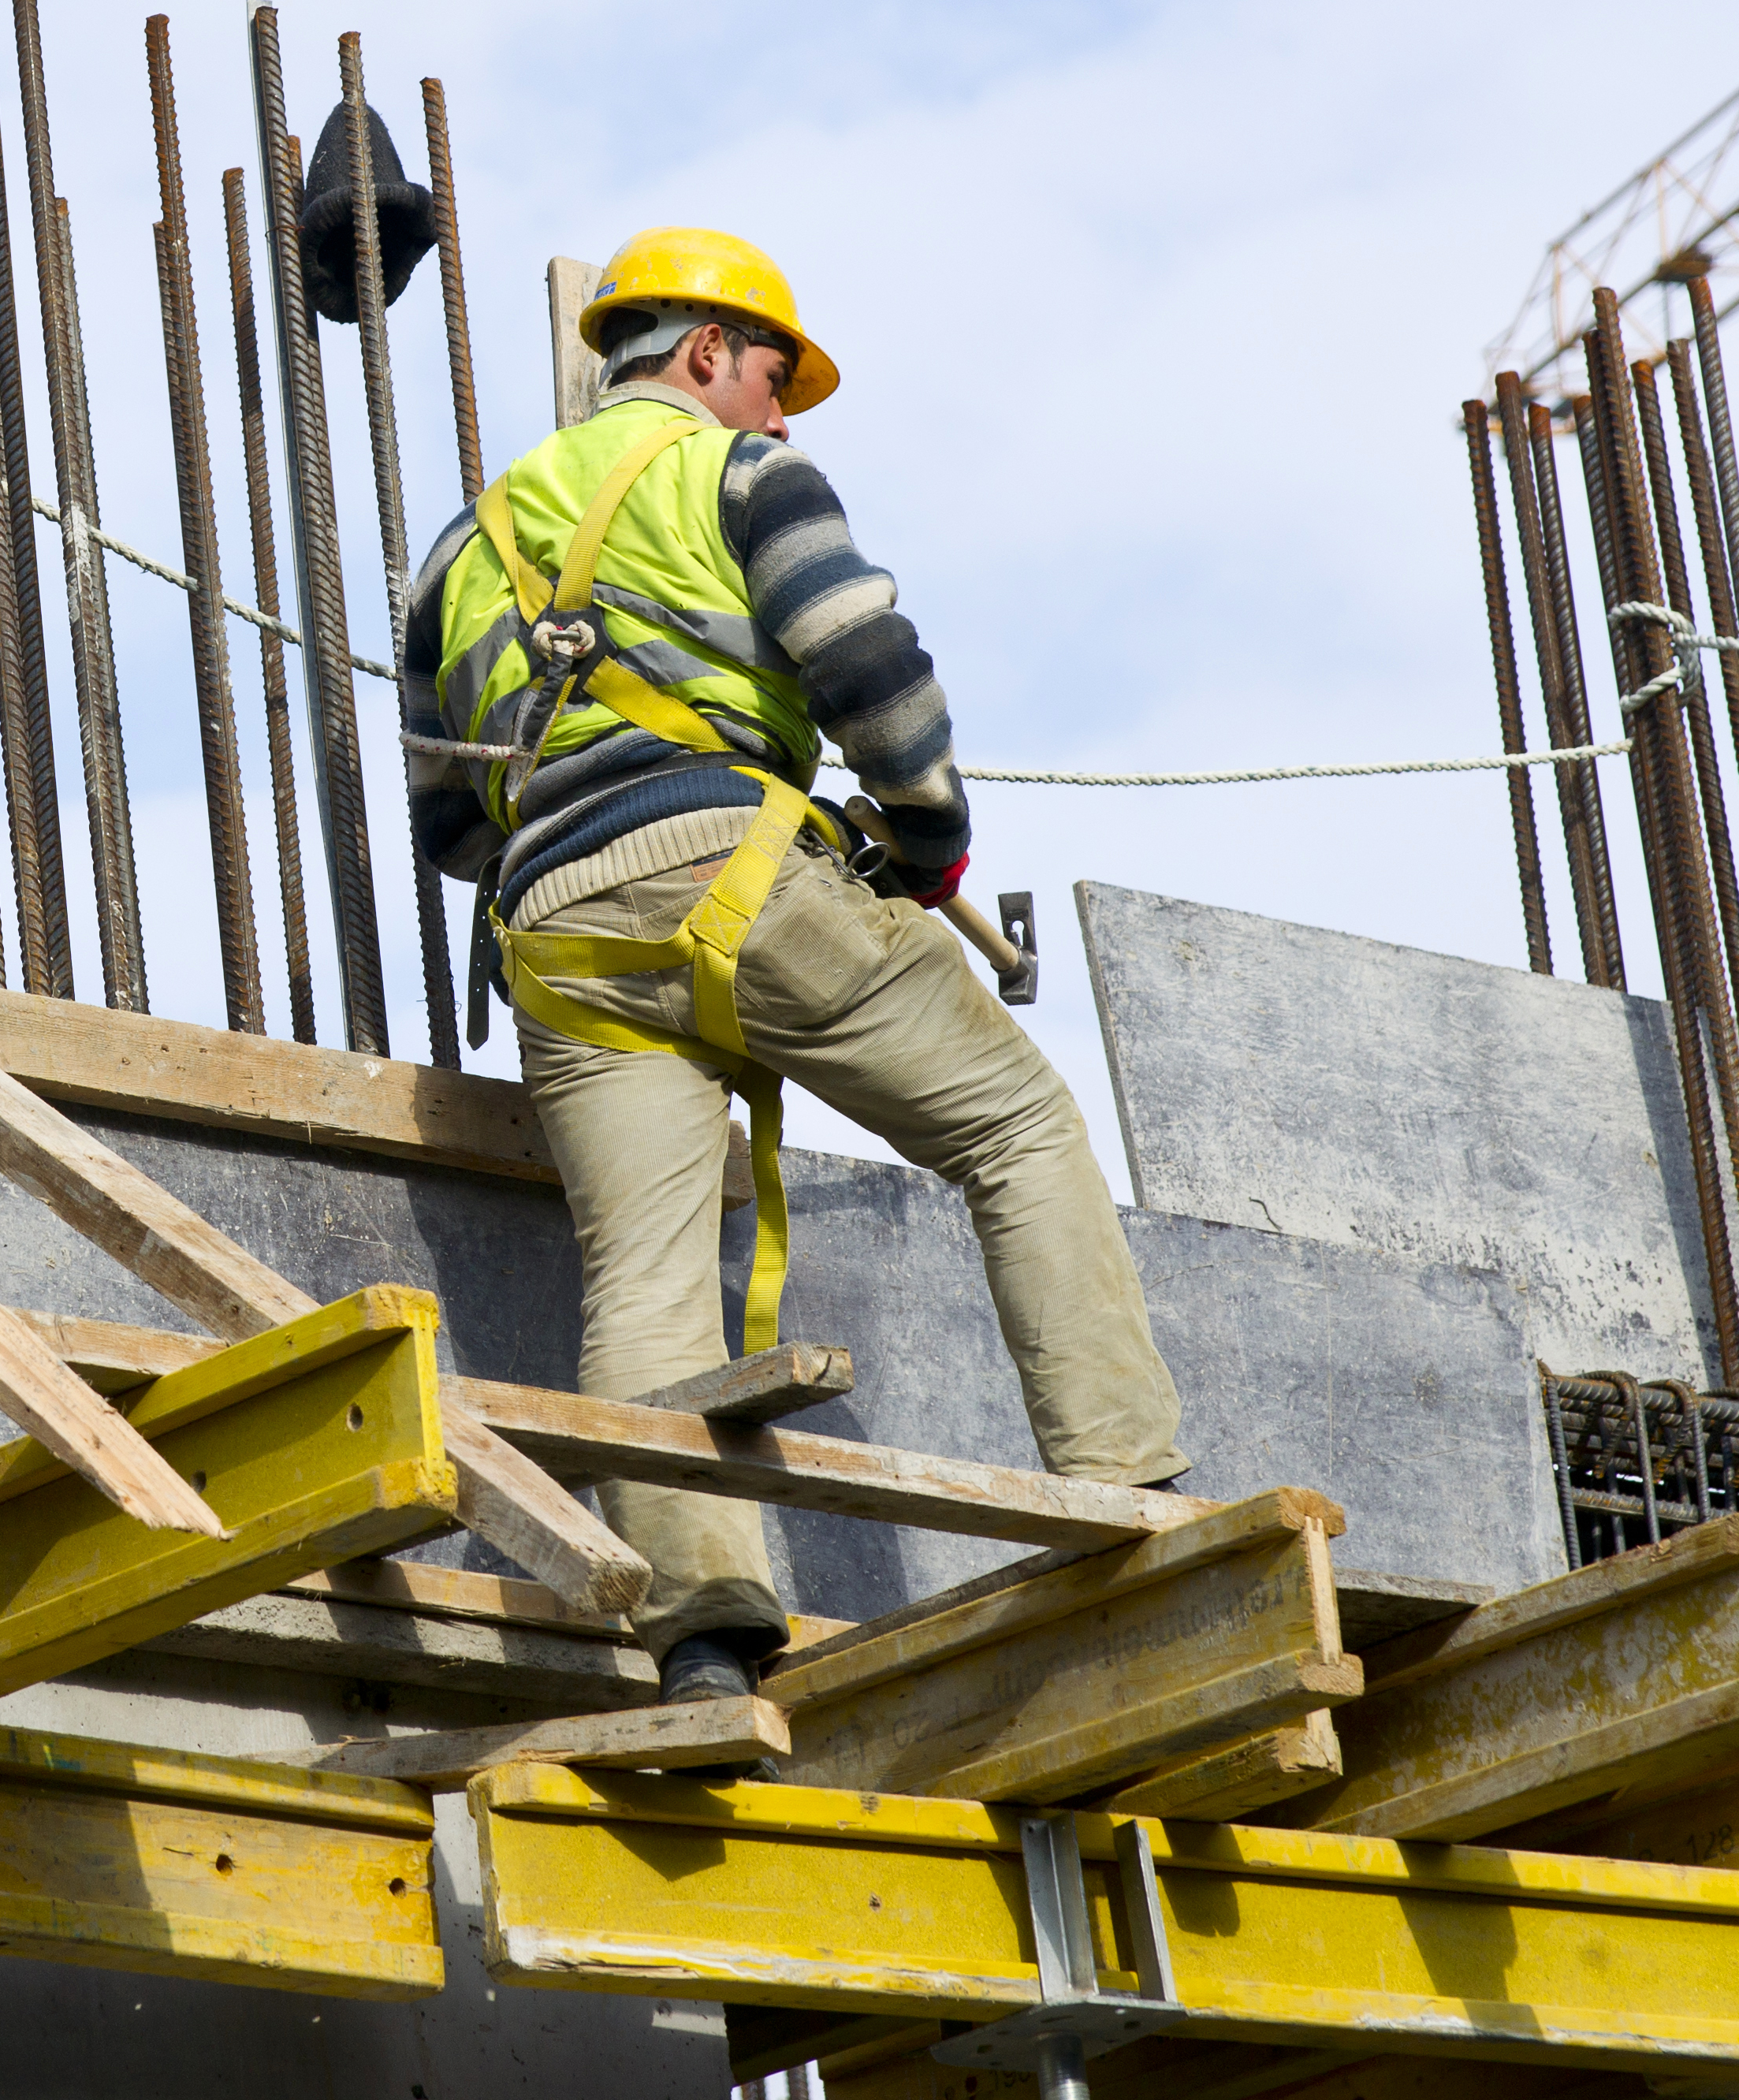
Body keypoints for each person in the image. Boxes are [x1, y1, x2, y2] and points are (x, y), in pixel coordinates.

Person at [400, 228, 1186, 1701]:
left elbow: (449, 820)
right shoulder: (740, 475)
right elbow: (866, 664)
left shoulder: (459, 549)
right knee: (1016, 1127)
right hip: (742, 877)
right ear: (702, 355)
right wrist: (930, 839)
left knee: (643, 1276)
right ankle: (1131, 1494)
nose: (781, 411)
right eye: (772, 377)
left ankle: (701, 1634)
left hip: (558, 934)